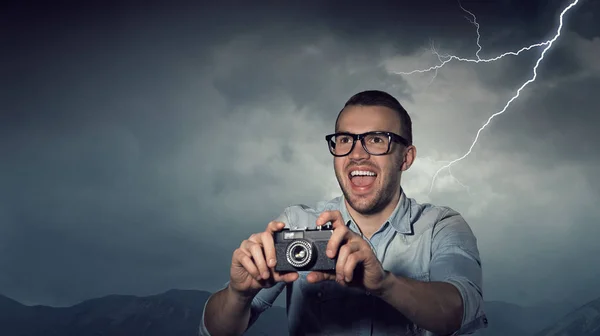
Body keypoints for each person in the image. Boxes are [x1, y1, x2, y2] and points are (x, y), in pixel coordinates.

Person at [200, 90, 488, 336]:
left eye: (376, 139)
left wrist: (385, 284)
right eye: (345, 139)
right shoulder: (296, 224)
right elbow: (217, 331)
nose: (357, 153)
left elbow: (459, 309)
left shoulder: (442, 226)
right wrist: (238, 296)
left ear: (406, 157)